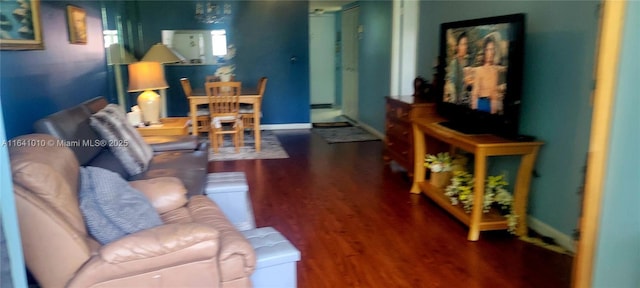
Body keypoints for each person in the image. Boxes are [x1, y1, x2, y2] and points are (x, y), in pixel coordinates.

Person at [471, 36, 505, 114]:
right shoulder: (479, 70)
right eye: (487, 50)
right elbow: (474, 94)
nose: (490, 53)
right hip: (481, 105)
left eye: (492, 49)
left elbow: (494, 94)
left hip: (492, 106)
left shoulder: (495, 71)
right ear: (484, 51)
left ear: (494, 51)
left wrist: (494, 111)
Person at [444, 32, 472, 105]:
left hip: (465, 101)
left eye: (466, 44)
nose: (465, 47)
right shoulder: (454, 63)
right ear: (458, 47)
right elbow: (452, 85)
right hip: (456, 101)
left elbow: (468, 86)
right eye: (463, 44)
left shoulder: (467, 62)